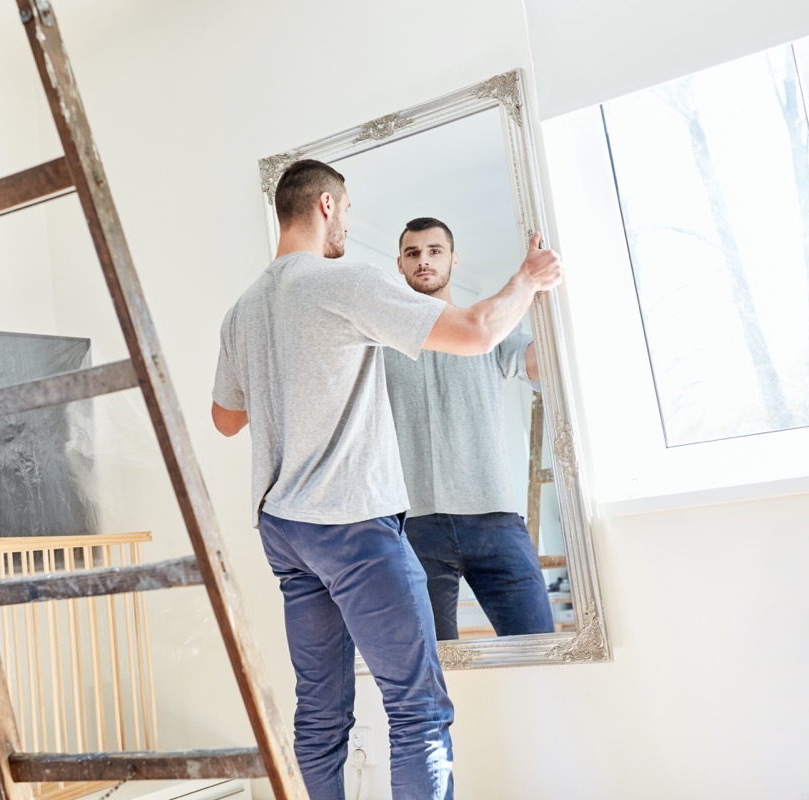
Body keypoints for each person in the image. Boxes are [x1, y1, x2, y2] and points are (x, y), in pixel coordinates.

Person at [210, 162, 562, 800]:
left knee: (320, 716)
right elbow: (480, 332)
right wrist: (527, 279)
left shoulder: (244, 308)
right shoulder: (343, 283)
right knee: (418, 709)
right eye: (345, 210)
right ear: (325, 205)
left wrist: (288, 380)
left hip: (284, 532)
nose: (347, 223)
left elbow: (226, 420)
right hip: (352, 525)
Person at [385, 217, 557, 641]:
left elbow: (543, 362)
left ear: (453, 259)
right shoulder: (381, 346)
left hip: (494, 520)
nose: (423, 261)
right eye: (413, 254)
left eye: (434, 251)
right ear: (400, 265)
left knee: (540, 648)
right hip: (417, 527)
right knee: (434, 670)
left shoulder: (491, 331)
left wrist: (539, 293)